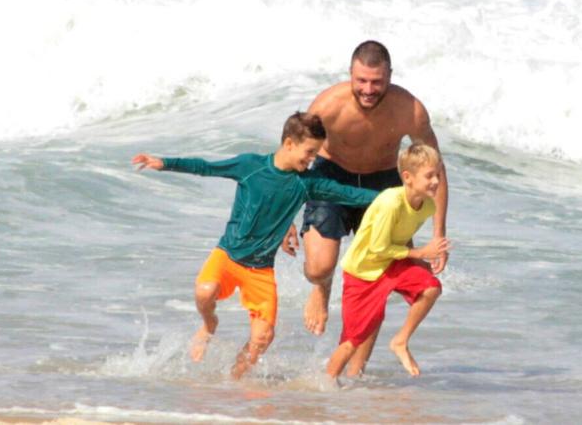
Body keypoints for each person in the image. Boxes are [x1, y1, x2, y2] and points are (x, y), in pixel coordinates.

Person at [131, 112, 378, 380]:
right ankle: (209, 325)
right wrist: (165, 163)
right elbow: (207, 167)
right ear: (289, 143)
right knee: (205, 291)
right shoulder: (251, 165)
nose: (312, 160)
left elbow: (350, 194)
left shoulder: (306, 184)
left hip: (260, 270)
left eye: (316, 153)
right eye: (309, 152)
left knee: (263, 338)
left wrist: (397, 196)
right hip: (227, 256)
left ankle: (233, 382)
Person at [280, 40, 449, 336]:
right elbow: (294, 158)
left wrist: (438, 234)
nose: (368, 90)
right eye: (361, 81)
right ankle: (322, 288)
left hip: (383, 184)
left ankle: (357, 369)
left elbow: (436, 168)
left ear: (390, 76)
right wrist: (283, 218)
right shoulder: (328, 106)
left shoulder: (410, 110)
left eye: (377, 82)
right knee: (319, 267)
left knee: (384, 276)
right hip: (332, 178)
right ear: (350, 74)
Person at [326, 143, 450, 379]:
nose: (436, 181)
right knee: (353, 340)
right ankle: (327, 387)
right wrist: (420, 254)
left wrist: (419, 264)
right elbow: (378, 247)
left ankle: (400, 340)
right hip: (363, 271)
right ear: (408, 177)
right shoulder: (390, 202)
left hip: (391, 263)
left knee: (431, 288)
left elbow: (400, 238)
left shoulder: (427, 205)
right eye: (429, 176)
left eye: (438, 174)